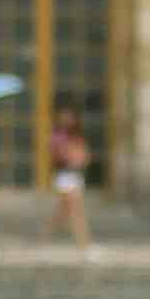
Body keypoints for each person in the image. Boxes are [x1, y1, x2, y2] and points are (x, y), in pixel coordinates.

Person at [44, 105, 96, 251]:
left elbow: (84, 155)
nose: (66, 119)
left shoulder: (77, 136)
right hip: (63, 176)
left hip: (75, 176)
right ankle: (84, 244)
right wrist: (69, 156)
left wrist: (79, 158)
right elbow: (57, 156)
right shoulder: (56, 136)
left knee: (62, 213)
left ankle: (45, 238)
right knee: (76, 211)